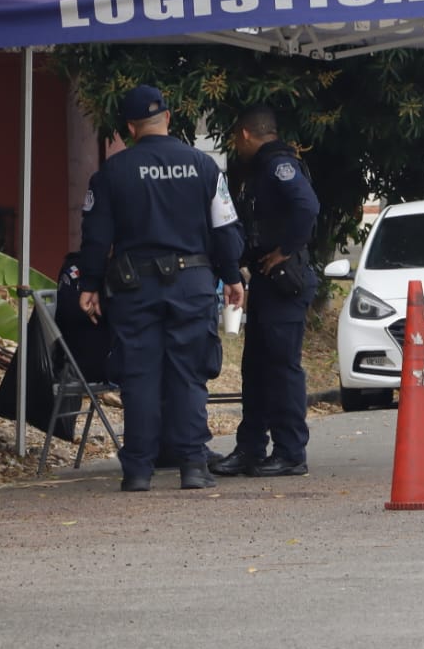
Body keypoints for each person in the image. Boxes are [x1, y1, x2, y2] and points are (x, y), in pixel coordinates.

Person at [78, 85, 245, 492]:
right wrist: (233, 276)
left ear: (130, 127)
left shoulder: (112, 173)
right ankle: (192, 465)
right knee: (189, 373)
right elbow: (225, 229)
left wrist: (89, 284)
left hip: (135, 287)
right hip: (192, 283)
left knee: (139, 375)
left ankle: (137, 470)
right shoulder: (203, 167)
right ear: (168, 118)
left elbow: (96, 236)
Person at [211, 105, 320, 478]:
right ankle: (251, 448)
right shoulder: (258, 169)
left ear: (245, 134)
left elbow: (307, 207)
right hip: (265, 281)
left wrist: (285, 250)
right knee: (255, 368)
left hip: (285, 281)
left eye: (234, 138)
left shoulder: (278, 166)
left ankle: (290, 451)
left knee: (281, 368)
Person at [0, 251, 115, 441]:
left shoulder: (116, 266)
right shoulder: (76, 269)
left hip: (103, 356)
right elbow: (71, 313)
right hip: (85, 363)